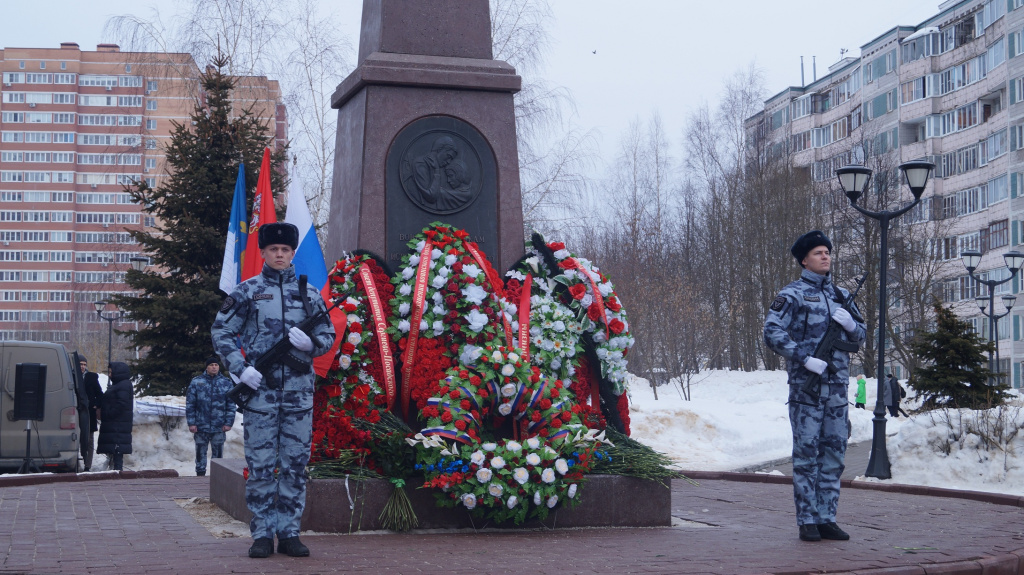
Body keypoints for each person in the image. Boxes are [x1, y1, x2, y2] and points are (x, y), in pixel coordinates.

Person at [211, 222, 335, 559]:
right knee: (262, 465)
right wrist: (241, 369)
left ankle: (290, 532)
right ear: (264, 252)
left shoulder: (309, 295)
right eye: (273, 250)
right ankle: (263, 534)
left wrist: (312, 343)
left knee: (295, 465)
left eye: (285, 250)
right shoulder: (246, 291)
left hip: (299, 396)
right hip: (260, 394)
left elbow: (328, 335)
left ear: (292, 253)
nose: (280, 255)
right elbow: (222, 331)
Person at [764, 230, 866, 543]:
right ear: (805, 260)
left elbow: (859, 337)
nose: (826, 257)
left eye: (828, 252)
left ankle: (827, 518)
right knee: (807, 456)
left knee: (834, 456)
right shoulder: (792, 294)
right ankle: (807, 520)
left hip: (836, 392)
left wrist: (850, 324)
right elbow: (772, 331)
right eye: (819, 253)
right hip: (806, 391)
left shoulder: (841, 295)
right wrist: (804, 358)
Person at [186, 356, 236, 477]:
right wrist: (191, 423)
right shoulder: (197, 382)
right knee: (200, 453)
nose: (214, 367)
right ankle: (200, 475)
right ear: (207, 367)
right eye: (211, 365)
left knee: (218, 454)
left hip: (219, 425)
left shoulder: (226, 383)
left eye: (216, 365)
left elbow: (231, 404)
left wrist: (228, 423)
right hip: (200, 425)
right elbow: (190, 404)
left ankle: (217, 477)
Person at [96, 362, 134, 471]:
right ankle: (115, 471)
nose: (109, 375)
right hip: (116, 425)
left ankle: (117, 473)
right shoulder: (119, 385)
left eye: (111, 372)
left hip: (117, 425)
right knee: (115, 450)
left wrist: (107, 413)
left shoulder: (123, 385)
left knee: (117, 450)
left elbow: (121, 404)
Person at [78, 356, 103, 471]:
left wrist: (96, 405)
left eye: (84, 364)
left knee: (89, 440)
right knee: (78, 438)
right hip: (76, 412)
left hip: (89, 413)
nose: (82, 366)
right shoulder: (72, 376)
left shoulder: (92, 377)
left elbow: (100, 394)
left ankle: (87, 465)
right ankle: (77, 461)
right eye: (80, 364)